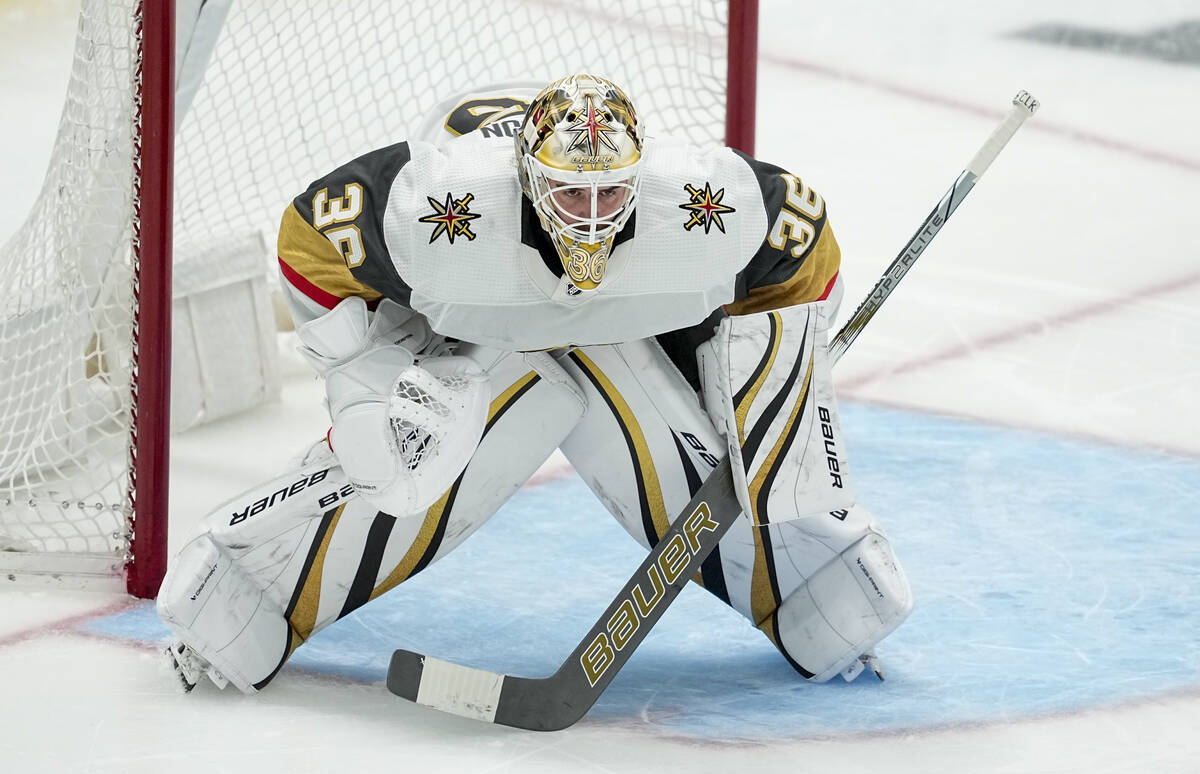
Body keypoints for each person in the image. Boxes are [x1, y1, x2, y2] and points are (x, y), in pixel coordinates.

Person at [156, 74, 913, 694]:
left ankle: (817, 583)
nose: (590, 218)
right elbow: (308, 241)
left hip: (629, 323)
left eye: (609, 195)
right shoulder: (441, 213)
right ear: (525, 176)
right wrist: (367, 383)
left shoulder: (697, 205)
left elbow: (805, 245)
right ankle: (243, 588)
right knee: (409, 453)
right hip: (475, 324)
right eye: (568, 194)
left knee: (763, 463)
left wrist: (762, 383)